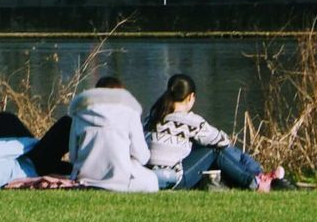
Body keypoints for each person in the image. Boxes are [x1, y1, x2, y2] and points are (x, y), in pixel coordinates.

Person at [145, 73, 287, 192]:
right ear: (190, 97)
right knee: (214, 150)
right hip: (174, 179)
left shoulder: (151, 118)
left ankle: (258, 174)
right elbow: (222, 141)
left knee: (204, 147)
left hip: (150, 177)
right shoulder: (191, 121)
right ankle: (257, 181)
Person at [69, 75, 158, 193]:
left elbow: (73, 156)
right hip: (121, 181)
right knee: (152, 179)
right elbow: (142, 157)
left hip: (85, 180)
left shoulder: (79, 115)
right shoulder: (130, 114)